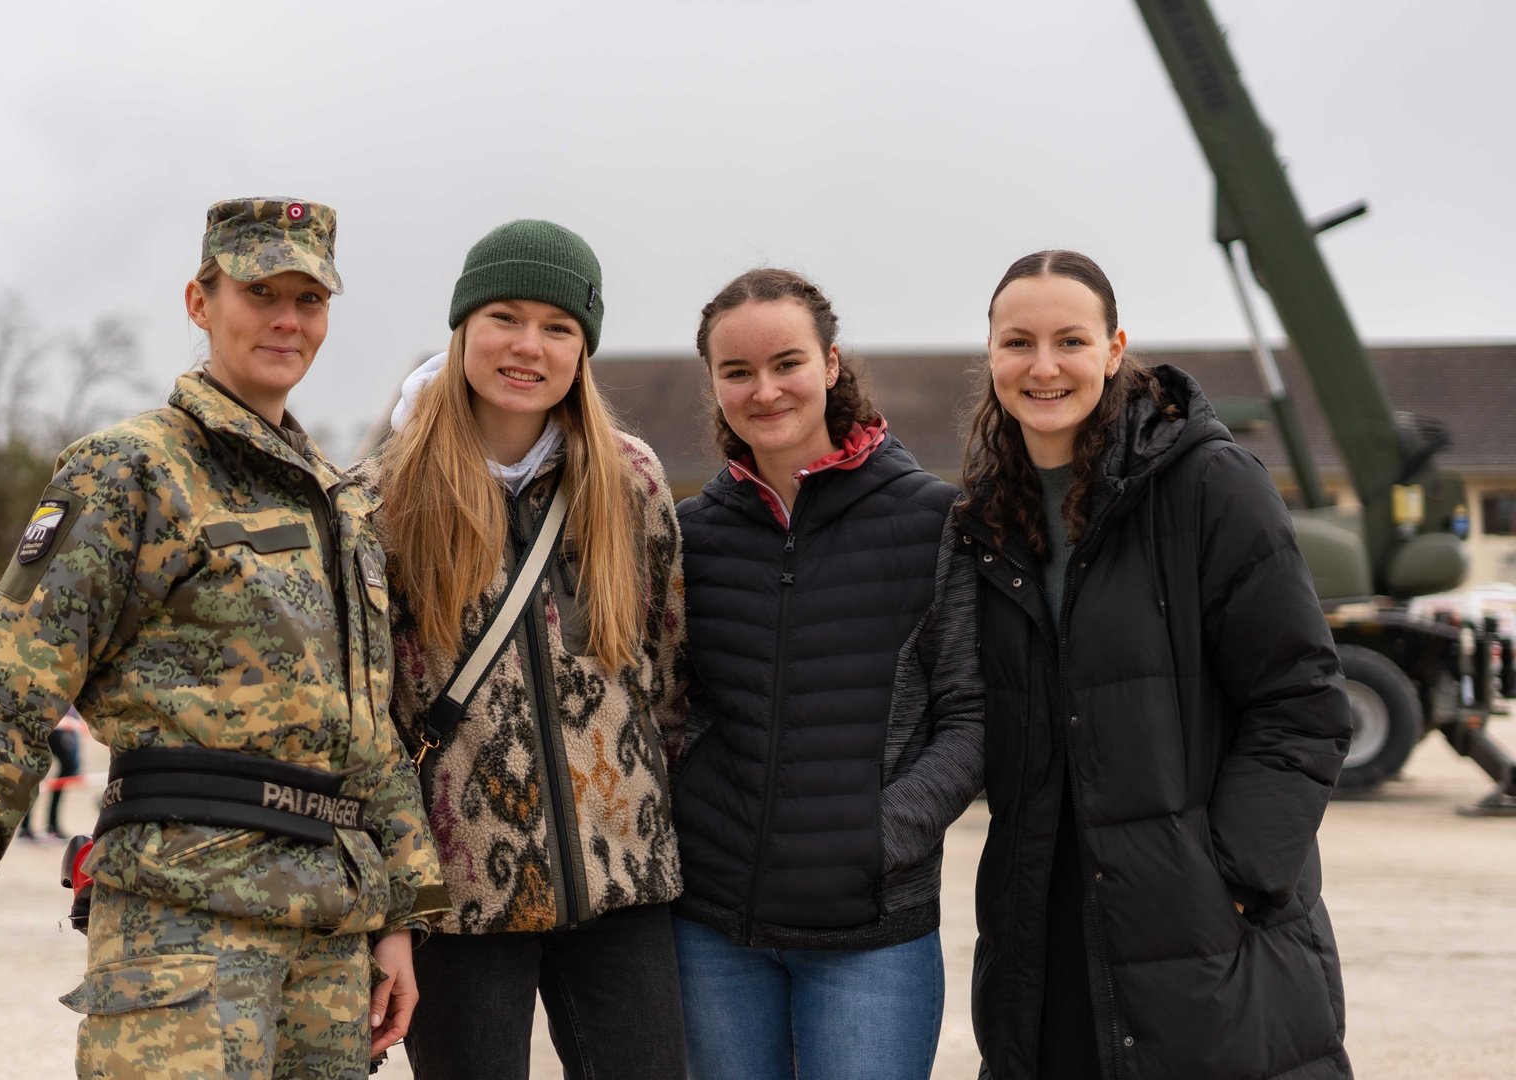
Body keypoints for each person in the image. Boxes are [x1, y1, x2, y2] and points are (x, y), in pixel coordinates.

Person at [0, 197, 446, 1079]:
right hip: (184, 922)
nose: (286, 319)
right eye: (260, 290)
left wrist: (398, 914)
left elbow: (365, 727)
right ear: (200, 301)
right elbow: (9, 687)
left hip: (328, 940)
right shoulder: (132, 471)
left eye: (310, 300)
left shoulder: (338, 504)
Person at [956, 250, 1351, 1079]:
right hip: (1043, 928)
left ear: (1114, 348)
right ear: (989, 354)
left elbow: (1303, 701)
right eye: (1016, 342)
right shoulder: (984, 517)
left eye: (1070, 339)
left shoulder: (1210, 483)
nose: (1043, 366)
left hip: (1205, 930)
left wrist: (1232, 875)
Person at [354, 219, 691, 1080]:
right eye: (505, 316)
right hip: (458, 896)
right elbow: (368, 716)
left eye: (559, 328)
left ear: (584, 349)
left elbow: (666, 674)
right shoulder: (379, 501)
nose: (528, 346)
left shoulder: (632, 482)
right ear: (464, 326)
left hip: (620, 887)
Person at [666, 269, 983, 1080]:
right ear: (714, 383)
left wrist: (876, 836)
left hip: (869, 933)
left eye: (787, 363)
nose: (765, 390)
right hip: (713, 929)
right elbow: (667, 705)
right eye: (737, 372)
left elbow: (972, 714)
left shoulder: (930, 521)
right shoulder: (688, 535)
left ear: (832, 364)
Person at [21, 707, 86, 842]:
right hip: (49, 720)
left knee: (67, 769)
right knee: (36, 773)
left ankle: (50, 825)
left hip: (65, 722)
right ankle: (29, 825)